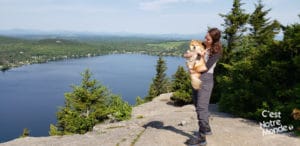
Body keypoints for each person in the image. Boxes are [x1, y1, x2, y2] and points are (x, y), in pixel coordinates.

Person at [186, 28, 222, 146]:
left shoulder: (216, 51)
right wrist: (194, 54)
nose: (205, 39)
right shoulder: (201, 45)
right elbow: (187, 55)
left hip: (205, 79)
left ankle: (202, 139)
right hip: (196, 77)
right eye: (205, 37)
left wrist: (198, 57)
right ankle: (206, 128)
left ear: (214, 40)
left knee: (201, 108)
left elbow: (204, 67)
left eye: (208, 38)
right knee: (197, 106)